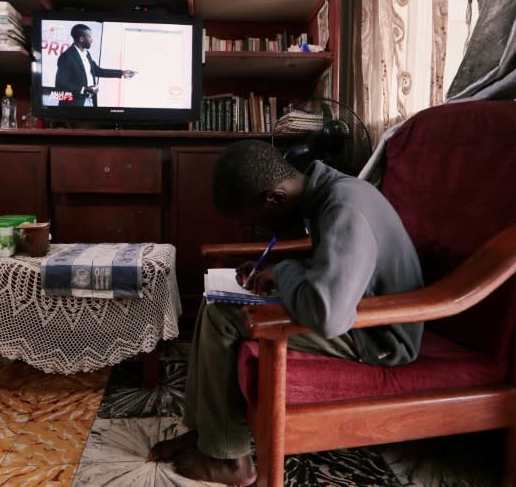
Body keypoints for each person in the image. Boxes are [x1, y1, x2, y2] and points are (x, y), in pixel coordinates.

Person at [148, 140, 424, 485]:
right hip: (360, 310)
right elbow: (339, 268)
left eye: (258, 223)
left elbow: (329, 316)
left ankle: (231, 462)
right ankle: (208, 433)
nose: (261, 233)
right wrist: (278, 270)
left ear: (275, 197)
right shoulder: (329, 194)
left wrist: (283, 272)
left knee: (224, 315)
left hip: (381, 334)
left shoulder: (344, 207)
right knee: (215, 300)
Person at [55, 24, 135, 107]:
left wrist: (122, 73)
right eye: (89, 37)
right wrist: (84, 89)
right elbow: (60, 84)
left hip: (90, 101)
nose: (92, 40)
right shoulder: (67, 56)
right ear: (81, 39)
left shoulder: (86, 54)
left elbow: (98, 71)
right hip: (73, 105)